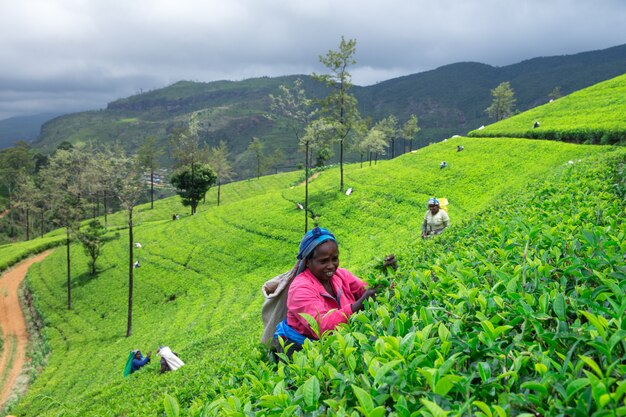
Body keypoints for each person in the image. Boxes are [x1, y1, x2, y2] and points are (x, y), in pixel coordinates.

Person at [273, 227, 379, 358]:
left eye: (334, 259)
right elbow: (321, 326)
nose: (331, 265)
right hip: (301, 350)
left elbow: (366, 291)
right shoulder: (300, 289)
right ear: (307, 262)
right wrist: (358, 306)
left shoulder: (341, 275)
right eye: (323, 261)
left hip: (336, 340)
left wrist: (385, 276)